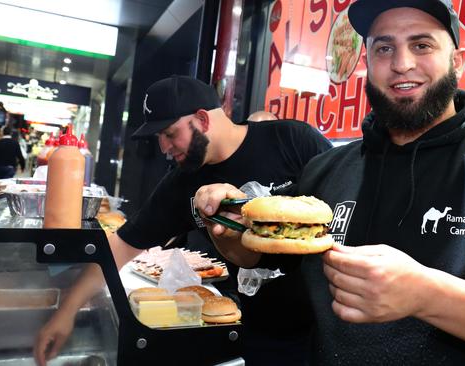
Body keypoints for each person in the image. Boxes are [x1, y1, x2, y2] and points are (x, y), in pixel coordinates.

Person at [194, 1, 465, 365]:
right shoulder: (327, 170)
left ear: (458, 59)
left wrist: (427, 295)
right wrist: (233, 237)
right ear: (368, 61)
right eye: (384, 47)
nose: (402, 63)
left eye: (422, 44)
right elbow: (274, 259)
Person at [34, 75, 332, 366]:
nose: (164, 147)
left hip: (328, 320)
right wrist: (66, 312)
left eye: (170, 133)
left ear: (202, 119)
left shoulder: (291, 139)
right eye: (159, 137)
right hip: (261, 334)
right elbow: (121, 245)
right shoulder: (181, 184)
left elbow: (348, 201)